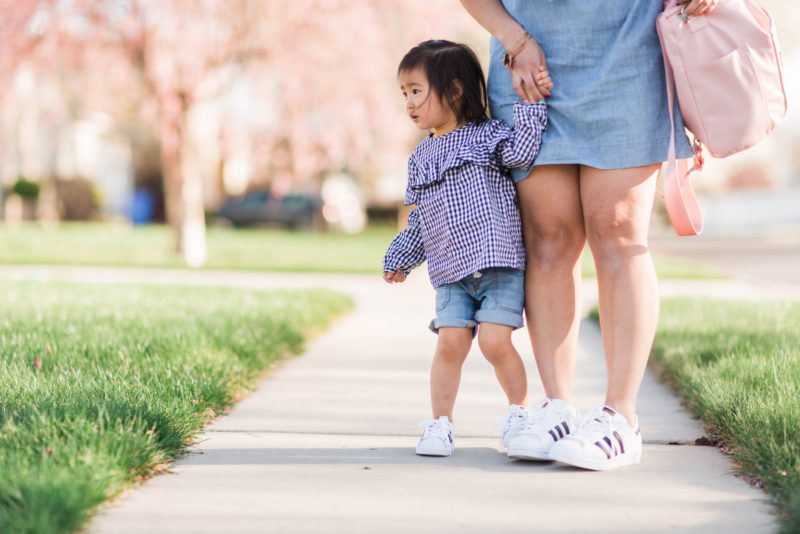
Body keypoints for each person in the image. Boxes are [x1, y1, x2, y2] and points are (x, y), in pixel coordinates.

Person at [459, 0, 719, 470]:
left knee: (618, 232)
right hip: (527, 63)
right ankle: (557, 407)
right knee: (549, 240)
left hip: (628, 54)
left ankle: (621, 417)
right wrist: (515, 42)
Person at [382, 40, 552, 457]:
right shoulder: (421, 157)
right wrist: (400, 257)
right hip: (451, 271)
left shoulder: (488, 135)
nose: (409, 103)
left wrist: (530, 106)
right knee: (450, 344)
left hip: (497, 266)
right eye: (404, 93)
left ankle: (519, 413)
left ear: (455, 91)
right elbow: (423, 218)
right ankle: (440, 424)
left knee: (495, 342)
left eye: (416, 91)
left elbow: (521, 151)